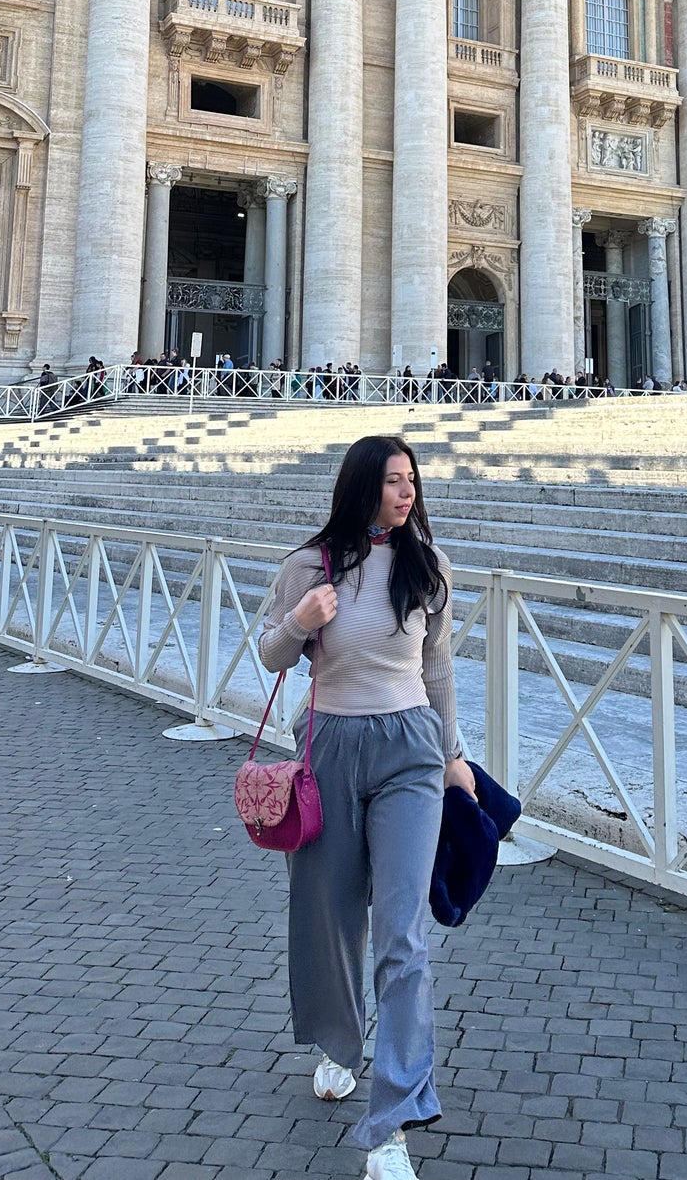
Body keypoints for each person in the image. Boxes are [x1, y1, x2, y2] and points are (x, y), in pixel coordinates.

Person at [258, 435, 474, 1180]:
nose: (405, 491)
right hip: (329, 748)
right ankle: (339, 1042)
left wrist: (453, 756)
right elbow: (269, 655)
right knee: (329, 911)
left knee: (403, 933)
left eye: (411, 479)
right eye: (390, 481)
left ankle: (392, 1122)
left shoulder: (427, 565)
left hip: (409, 749)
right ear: (359, 488)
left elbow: (436, 663)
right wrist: (299, 622)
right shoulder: (307, 567)